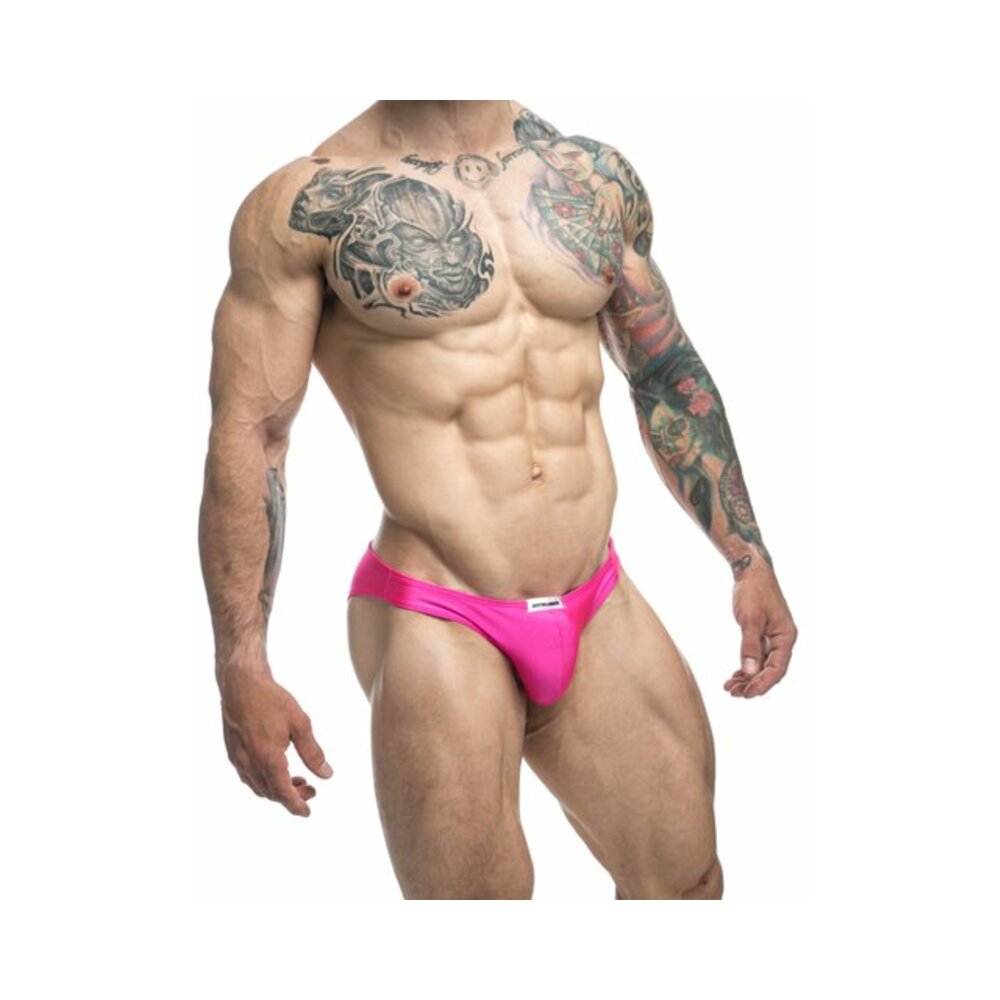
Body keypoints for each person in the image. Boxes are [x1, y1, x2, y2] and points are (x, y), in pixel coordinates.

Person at [198, 100, 798, 900]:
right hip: (440, 609)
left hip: (596, 596)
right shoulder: (306, 204)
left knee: (688, 884)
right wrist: (241, 665)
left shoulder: (590, 175)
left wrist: (747, 557)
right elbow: (253, 435)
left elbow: (662, 371)